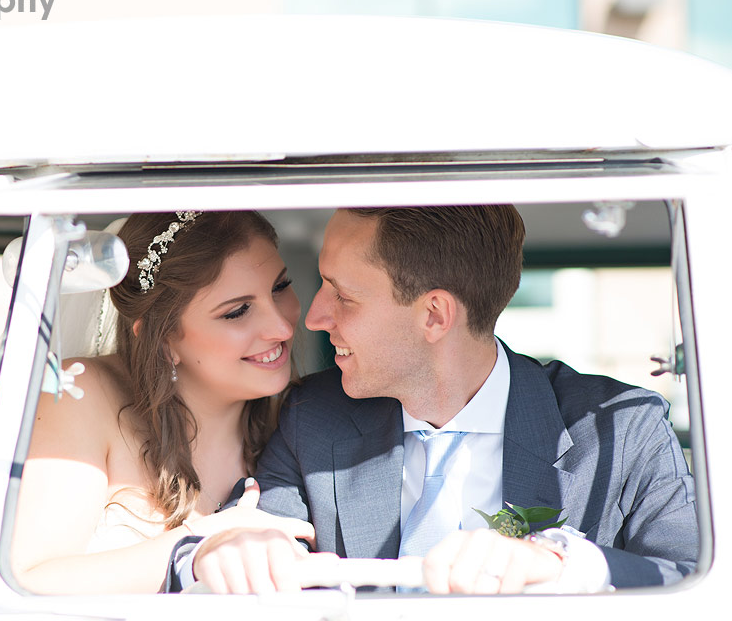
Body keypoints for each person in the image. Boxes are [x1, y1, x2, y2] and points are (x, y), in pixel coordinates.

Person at [180, 205, 698, 595]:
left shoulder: (621, 429)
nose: (313, 318)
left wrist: (561, 565)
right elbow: (265, 537)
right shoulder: (309, 419)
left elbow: (692, 574)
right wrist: (238, 550)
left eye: (342, 295)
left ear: (434, 316)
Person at [11, 210, 316, 594]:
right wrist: (197, 544)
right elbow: (29, 579)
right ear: (163, 339)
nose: (283, 327)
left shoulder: (308, 418)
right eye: (237, 311)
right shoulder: (81, 394)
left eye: (280, 286)